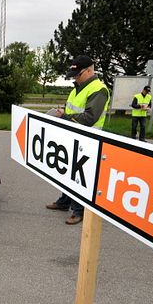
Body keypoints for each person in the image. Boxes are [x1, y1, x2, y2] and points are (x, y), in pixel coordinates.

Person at [47, 55, 111, 225]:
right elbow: (73, 109)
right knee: (67, 172)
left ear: (90, 70)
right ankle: (64, 202)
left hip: (87, 140)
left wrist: (65, 116)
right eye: (73, 74)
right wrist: (63, 111)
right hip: (72, 136)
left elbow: (89, 118)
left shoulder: (99, 89)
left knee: (79, 176)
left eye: (78, 74)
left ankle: (78, 210)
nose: (75, 77)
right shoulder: (77, 88)